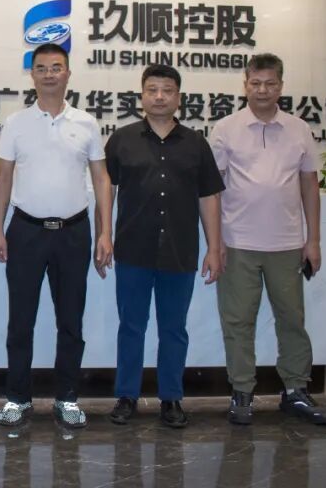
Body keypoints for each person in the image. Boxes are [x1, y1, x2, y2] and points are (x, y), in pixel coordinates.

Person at [0, 43, 114, 428]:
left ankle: (67, 398)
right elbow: (4, 178)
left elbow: (101, 178)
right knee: (20, 321)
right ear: (32, 75)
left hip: (73, 233)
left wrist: (105, 232)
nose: (49, 74)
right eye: (41, 68)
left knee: (71, 321)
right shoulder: (16, 123)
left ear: (68, 73)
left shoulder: (86, 123)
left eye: (56, 67)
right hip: (26, 231)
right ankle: (17, 398)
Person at [209, 53, 326, 426]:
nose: (262, 90)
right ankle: (242, 392)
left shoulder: (299, 129)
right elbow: (212, 191)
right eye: (256, 83)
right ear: (245, 84)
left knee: (292, 319)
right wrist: (216, 242)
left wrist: (313, 240)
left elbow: (309, 185)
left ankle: (295, 390)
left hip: (287, 243)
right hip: (238, 242)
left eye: (270, 84)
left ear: (281, 86)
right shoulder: (225, 129)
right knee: (238, 321)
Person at [103, 64, 224, 428]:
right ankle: (127, 396)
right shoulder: (121, 140)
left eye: (167, 90)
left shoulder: (196, 143)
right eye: (152, 89)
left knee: (174, 329)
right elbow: (106, 191)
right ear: (141, 95)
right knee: (131, 326)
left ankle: (171, 398)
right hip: (132, 250)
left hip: (179, 251)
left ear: (178, 98)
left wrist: (214, 247)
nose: (159, 97)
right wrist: (104, 234)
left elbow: (209, 197)